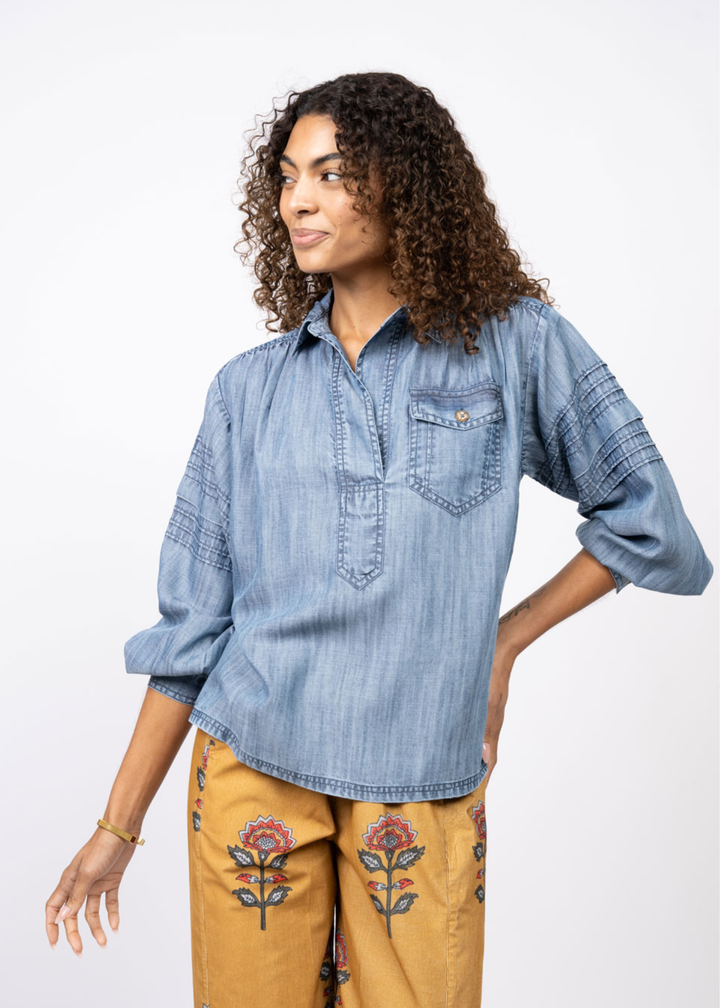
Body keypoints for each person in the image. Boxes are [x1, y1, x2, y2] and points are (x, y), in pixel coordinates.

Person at [45, 72, 714, 1007]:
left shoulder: (514, 348)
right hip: (253, 769)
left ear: (405, 182)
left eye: (330, 173)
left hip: (425, 777)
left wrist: (503, 641)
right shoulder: (249, 390)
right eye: (286, 177)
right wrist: (117, 829)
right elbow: (191, 630)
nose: (298, 199)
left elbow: (650, 517)